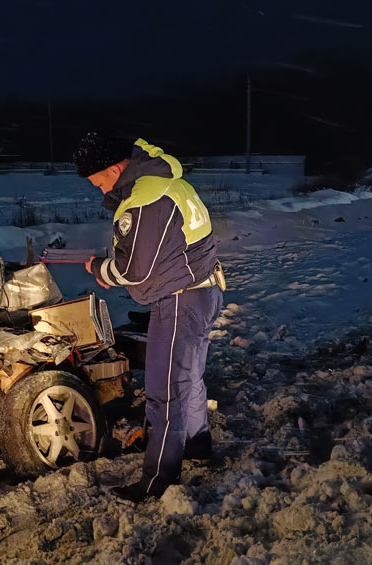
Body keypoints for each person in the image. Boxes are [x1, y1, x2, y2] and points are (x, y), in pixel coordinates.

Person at [73, 134, 225, 502]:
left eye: (98, 182)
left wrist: (100, 268)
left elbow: (133, 270)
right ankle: (197, 444)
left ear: (114, 169)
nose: (99, 190)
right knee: (188, 377)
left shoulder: (146, 197)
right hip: (205, 290)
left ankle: (158, 479)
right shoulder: (171, 183)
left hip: (179, 301)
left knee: (164, 392)